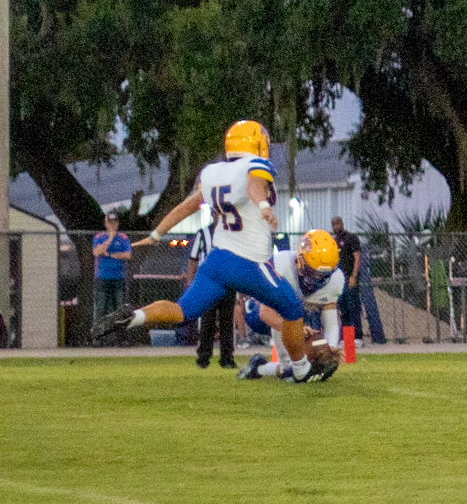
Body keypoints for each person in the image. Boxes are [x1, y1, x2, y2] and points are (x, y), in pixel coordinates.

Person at [95, 121, 319, 382]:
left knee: (183, 312)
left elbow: (188, 205)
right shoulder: (255, 166)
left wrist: (157, 233)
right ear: (257, 143)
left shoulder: (213, 172)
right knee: (292, 307)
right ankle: (302, 370)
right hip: (248, 262)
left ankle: (134, 316)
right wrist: (262, 205)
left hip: (217, 261)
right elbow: (254, 184)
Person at [237, 230, 346, 382]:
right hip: (257, 310)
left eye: (324, 275)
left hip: (296, 309)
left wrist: (331, 347)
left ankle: (259, 368)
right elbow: (266, 313)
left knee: (315, 348)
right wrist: (295, 330)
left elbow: (330, 317)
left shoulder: (335, 279)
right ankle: (291, 366)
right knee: (285, 308)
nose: (318, 278)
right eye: (313, 272)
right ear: (299, 259)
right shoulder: (282, 266)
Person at [185, 209, 233, 370]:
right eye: (217, 214)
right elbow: (193, 259)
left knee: (227, 321)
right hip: (209, 282)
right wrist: (191, 282)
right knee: (208, 321)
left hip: (227, 282)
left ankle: (227, 357)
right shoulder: (203, 233)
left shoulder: (232, 234)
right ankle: (203, 357)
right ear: (213, 215)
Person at [331, 216, 382, 345]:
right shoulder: (334, 241)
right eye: (334, 225)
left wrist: (353, 276)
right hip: (339, 279)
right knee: (343, 309)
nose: (336, 227)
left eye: (338, 224)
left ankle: (357, 337)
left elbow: (357, 257)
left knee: (353, 306)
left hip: (349, 277)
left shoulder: (351, 238)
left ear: (342, 223)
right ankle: (347, 338)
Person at [91, 212, 132, 324]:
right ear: (106, 224)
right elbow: (97, 252)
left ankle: (120, 338)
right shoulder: (99, 237)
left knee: (119, 308)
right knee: (101, 308)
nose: (113, 225)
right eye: (110, 223)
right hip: (103, 278)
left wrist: (109, 254)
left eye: (115, 223)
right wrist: (110, 239)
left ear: (118, 224)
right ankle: (99, 337)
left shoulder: (123, 238)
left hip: (118, 278)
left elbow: (127, 255)